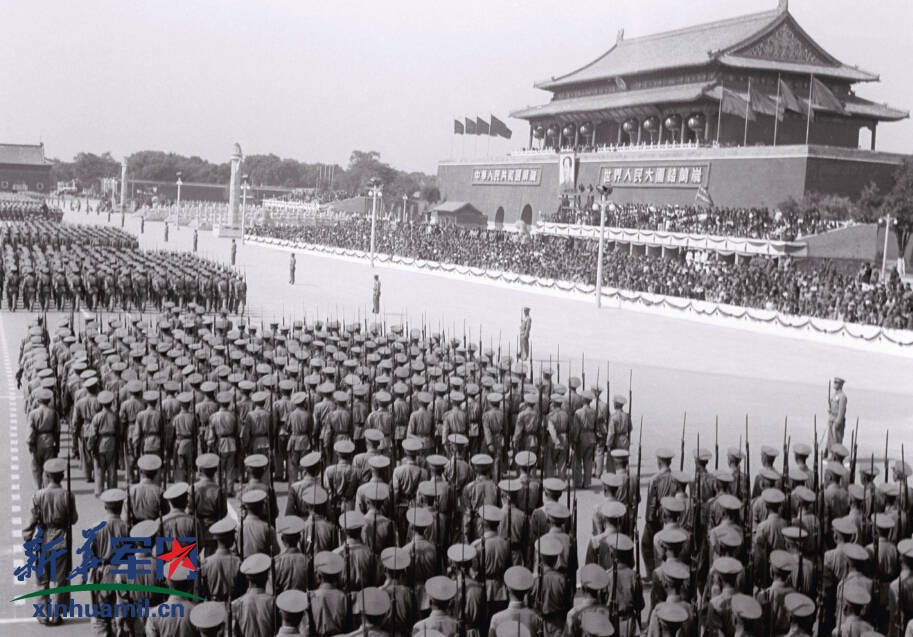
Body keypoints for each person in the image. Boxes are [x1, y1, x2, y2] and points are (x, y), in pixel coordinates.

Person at [828, 376, 848, 449]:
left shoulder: (842, 396)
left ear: (841, 385)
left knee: (837, 439)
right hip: (831, 419)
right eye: (834, 382)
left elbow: (842, 411)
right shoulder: (834, 395)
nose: (834, 384)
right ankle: (831, 454)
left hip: (837, 420)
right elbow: (833, 407)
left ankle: (836, 455)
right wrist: (830, 411)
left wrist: (838, 422)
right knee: (830, 439)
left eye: (836, 382)